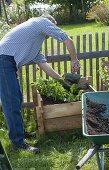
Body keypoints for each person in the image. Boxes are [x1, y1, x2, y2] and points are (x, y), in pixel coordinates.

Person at [0, 14, 80, 153]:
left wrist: (61, 80)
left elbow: (44, 65)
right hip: (3, 61)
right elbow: (67, 39)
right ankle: (18, 144)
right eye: (50, 31)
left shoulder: (34, 40)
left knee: (16, 99)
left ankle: (20, 134)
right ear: (50, 24)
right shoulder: (41, 21)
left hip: (7, 62)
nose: (48, 36)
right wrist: (74, 60)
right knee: (11, 103)